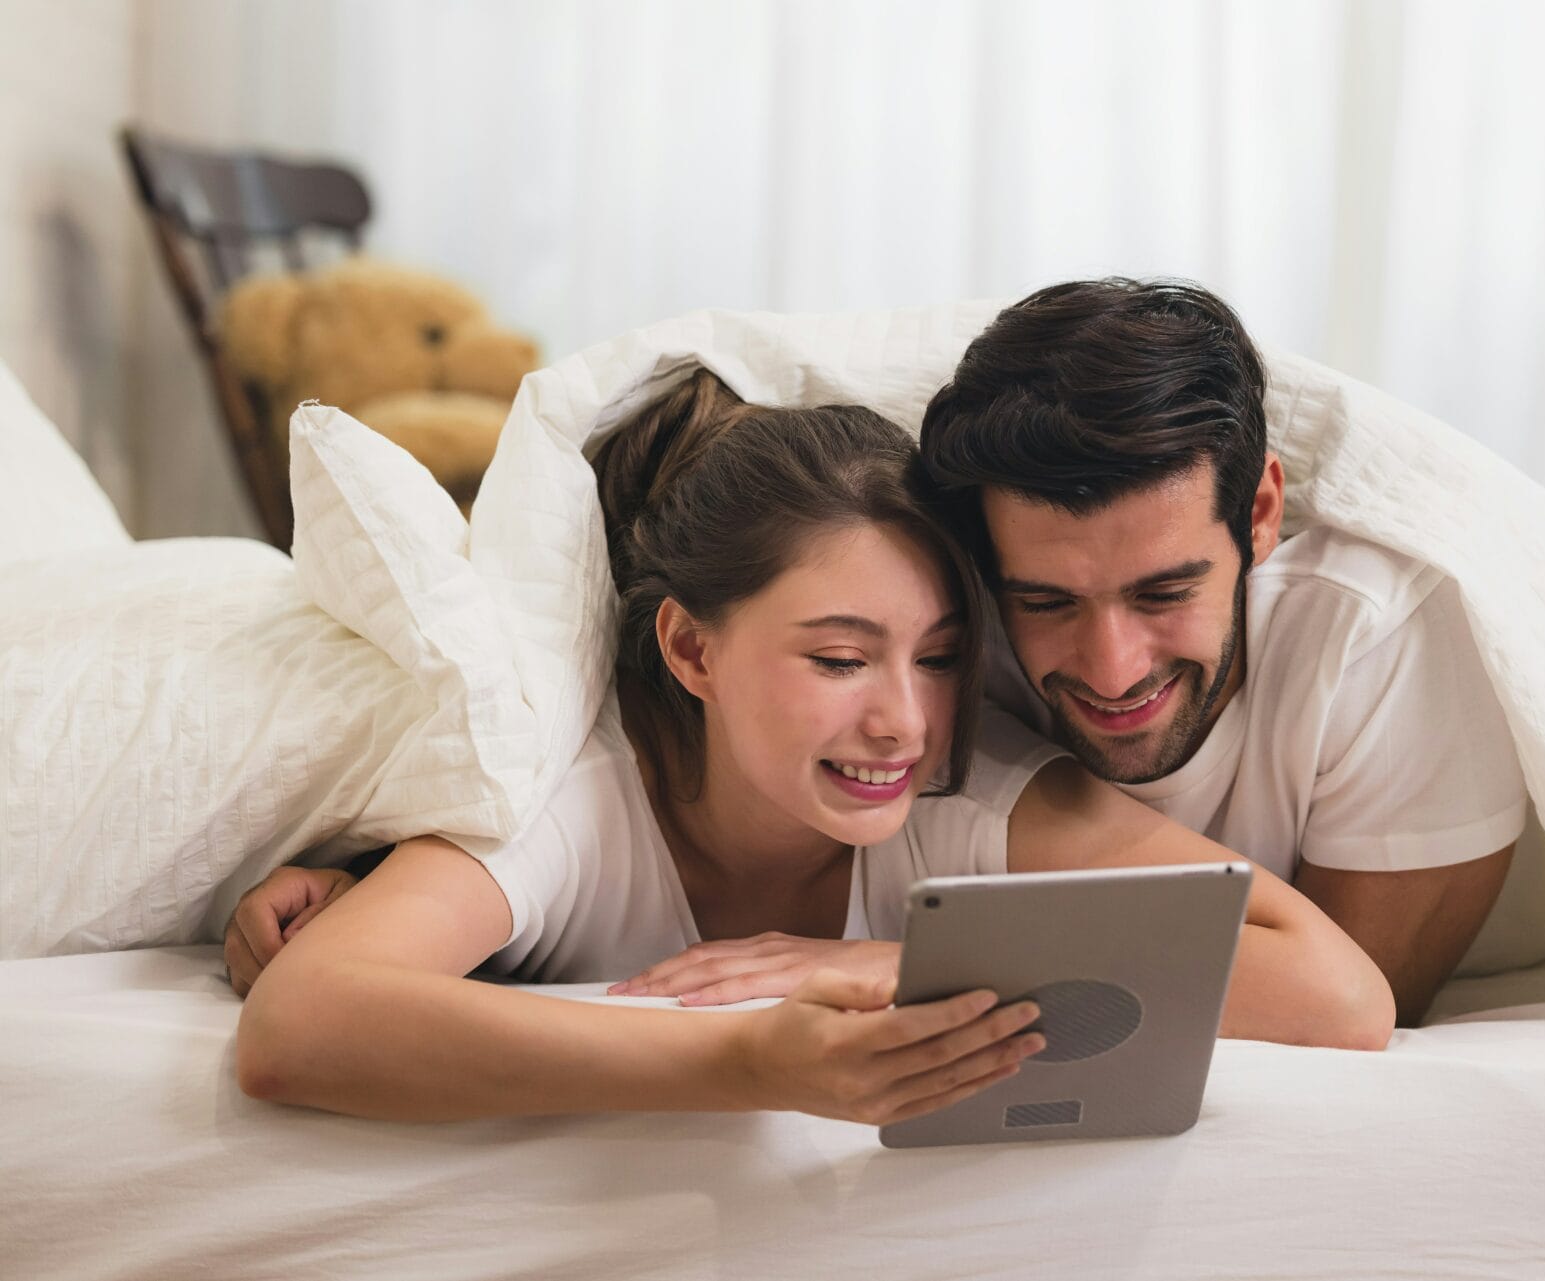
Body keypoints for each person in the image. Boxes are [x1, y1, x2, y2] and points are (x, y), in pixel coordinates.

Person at [231, 371, 1392, 1125]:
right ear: (690, 650)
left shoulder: (958, 794)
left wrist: (882, 969)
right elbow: (299, 1023)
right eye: (840, 660)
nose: (905, 721)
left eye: (939, 658)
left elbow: (1339, 996)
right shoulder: (574, 799)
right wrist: (746, 1068)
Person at [915, 279, 1529, 1026]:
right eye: (1047, 602)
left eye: (1164, 593)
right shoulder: (939, 638)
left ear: (1262, 512)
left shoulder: (1373, 628)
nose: (1113, 670)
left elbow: (1350, 1022)